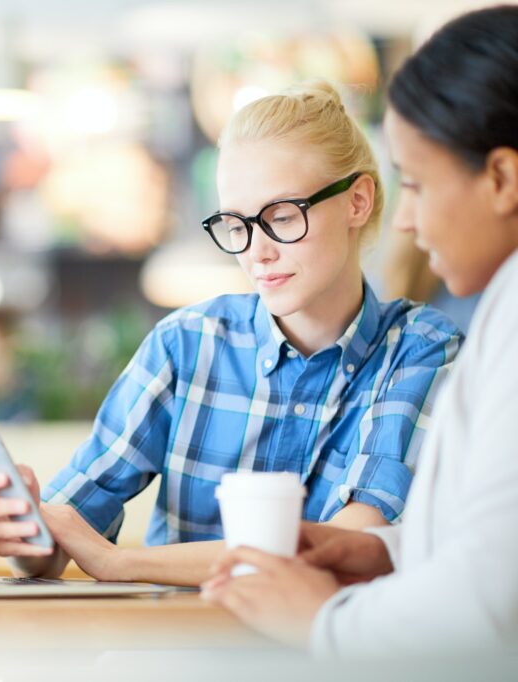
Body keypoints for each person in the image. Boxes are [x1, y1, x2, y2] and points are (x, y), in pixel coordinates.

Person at [0, 81, 463, 585]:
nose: (256, 252)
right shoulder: (186, 343)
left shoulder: (421, 351)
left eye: (282, 216)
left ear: (357, 201)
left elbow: (348, 549)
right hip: (183, 659)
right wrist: (26, 531)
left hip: (329, 660)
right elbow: (54, 549)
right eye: (237, 224)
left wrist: (121, 563)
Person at [201, 5, 518, 656]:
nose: (404, 221)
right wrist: (378, 550)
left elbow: (488, 599)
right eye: (237, 223)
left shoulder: (445, 339)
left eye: (418, 184)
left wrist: (324, 619)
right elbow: (491, 544)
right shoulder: (502, 306)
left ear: (502, 179)